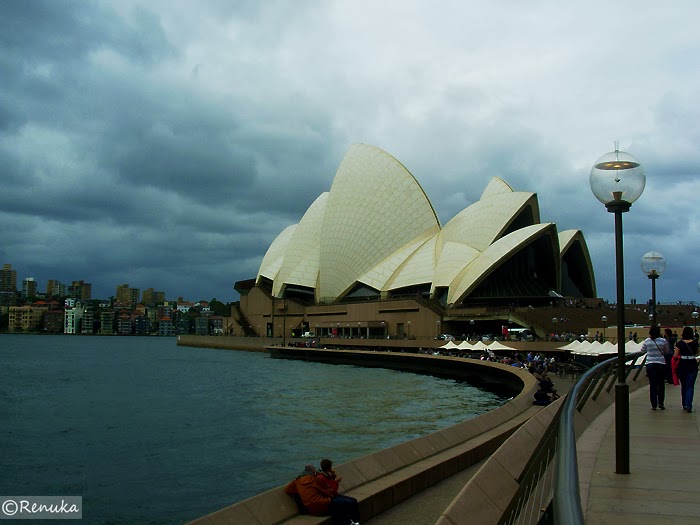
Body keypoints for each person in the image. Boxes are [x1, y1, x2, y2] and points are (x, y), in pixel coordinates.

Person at [285, 463, 360, 525]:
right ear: (313, 471)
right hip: (323, 505)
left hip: (311, 509)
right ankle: (355, 522)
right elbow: (328, 492)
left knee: (341, 505)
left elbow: (288, 490)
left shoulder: (297, 481)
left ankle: (351, 522)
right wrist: (329, 497)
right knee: (347, 503)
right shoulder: (315, 479)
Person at [317, 459, 361, 525]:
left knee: (354, 500)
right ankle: (350, 522)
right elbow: (332, 489)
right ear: (329, 467)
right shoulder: (321, 477)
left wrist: (333, 475)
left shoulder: (326, 475)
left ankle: (356, 521)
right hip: (330, 497)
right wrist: (336, 482)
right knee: (349, 503)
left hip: (334, 495)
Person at [642, 325, 669, 410]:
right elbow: (666, 351)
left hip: (650, 364)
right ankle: (661, 403)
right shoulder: (663, 341)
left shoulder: (647, 341)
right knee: (661, 384)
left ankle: (654, 404)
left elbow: (642, 351)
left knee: (652, 384)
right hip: (660, 363)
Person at [674, 326, 699, 413]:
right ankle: (689, 404)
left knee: (683, 386)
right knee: (690, 386)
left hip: (682, 364)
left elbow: (675, 356)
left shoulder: (680, 343)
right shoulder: (695, 343)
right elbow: (697, 352)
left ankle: (684, 403)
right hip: (692, 364)